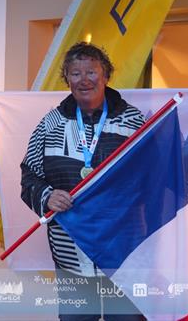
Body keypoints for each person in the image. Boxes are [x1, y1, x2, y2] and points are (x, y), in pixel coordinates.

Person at [20, 42, 145, 321]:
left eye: (91, 71)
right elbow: (29, 175)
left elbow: (150, 177)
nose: (84, 79)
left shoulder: (133, 121)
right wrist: (46, 196)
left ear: (106, 75)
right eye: (75, 73)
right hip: (71, 257)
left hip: (122, 256)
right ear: (67, 79)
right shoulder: (50, 124)